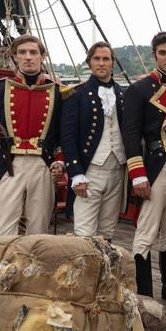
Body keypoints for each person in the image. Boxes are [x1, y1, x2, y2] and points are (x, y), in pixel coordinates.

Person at [121, 31, 166, 303]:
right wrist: (138, 174)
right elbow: (131, 134)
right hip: (154, 164)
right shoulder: (139, 89)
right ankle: (145, 293)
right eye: (163, 53)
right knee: (147, 230)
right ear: (154, 56)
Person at [0, 34, 64, 236]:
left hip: (42, 163)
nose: (28, 57)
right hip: (10, 164)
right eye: (22, 52)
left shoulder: (57, 92)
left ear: (43, 56)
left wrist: (59, 159)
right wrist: (1, 151)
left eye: (33, 52)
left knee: (39, 228)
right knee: (3, 226)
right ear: (14, 57)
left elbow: (62, 134)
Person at [61, 42, 126, 241]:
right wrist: (76, 174)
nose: (101, 63)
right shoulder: (76, 94)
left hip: (118, 169)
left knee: (107, 231)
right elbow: (68, 137)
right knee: (85, 232)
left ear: (113, 62)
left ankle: (104, 272)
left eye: (106, 59)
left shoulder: (123, 93)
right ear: (89, 62)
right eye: (96, 59)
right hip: (90, 171)